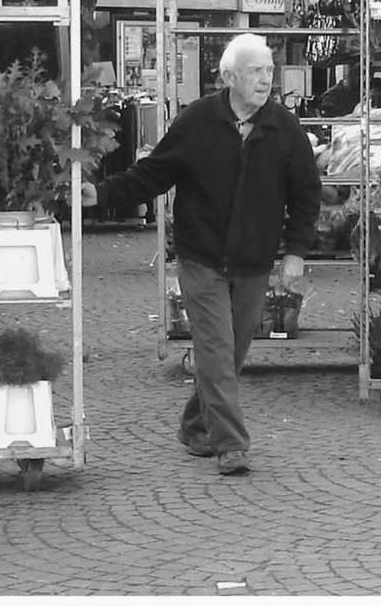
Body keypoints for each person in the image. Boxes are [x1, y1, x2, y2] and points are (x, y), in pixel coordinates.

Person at [81, 33, 321, 475]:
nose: (266, 79)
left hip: (253, 261)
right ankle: (232, 445)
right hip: (202, 257)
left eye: (269, 70)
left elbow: (306, 195)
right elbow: (154, 173)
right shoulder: (198, 122)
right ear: (229, 77)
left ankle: (195, 424)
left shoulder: (285, 129)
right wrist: (101, 194)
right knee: (215, 349)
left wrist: (296, 254)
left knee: (230, 356)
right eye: (255, 71)